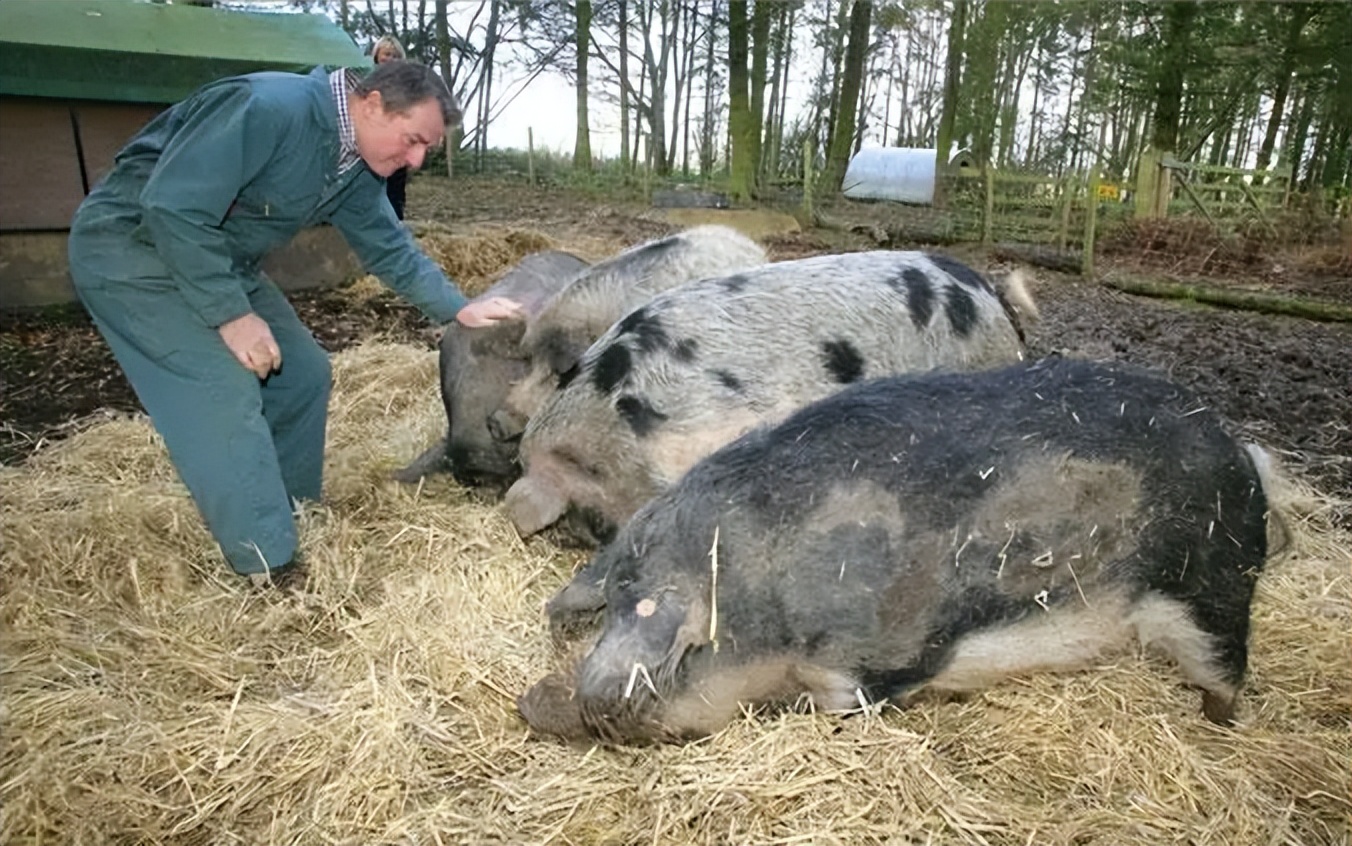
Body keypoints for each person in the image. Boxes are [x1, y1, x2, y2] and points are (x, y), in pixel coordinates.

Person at [67, 60, 521, 588]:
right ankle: (268, 564)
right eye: (414, 140)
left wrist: (457, 307)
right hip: (132, 246)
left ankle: (287, 512)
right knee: (222, 386)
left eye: (427, 149)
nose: (416, 160)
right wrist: (233, 317)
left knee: (302, 374)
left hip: (217, 257)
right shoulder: (267, 109)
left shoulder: (355, 162)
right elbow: (171, 208)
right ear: (373, 104)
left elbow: (387, 245)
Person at [371, 35, 410, 219]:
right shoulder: (368, 78)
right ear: (377, 55)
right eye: (386, 54)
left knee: (395, 186)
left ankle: (396, 221)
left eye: (395, 56)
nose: (390, 59)